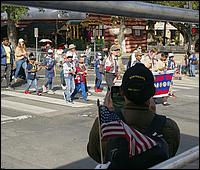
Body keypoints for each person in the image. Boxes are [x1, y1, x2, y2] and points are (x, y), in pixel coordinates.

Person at [87, 63, 180, 165]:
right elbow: (168, 156)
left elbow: (96, 154)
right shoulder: (168, 127)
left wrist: (109, 115)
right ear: (152, 92)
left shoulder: (105, 125)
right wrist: (154, 120)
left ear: (122, 92)